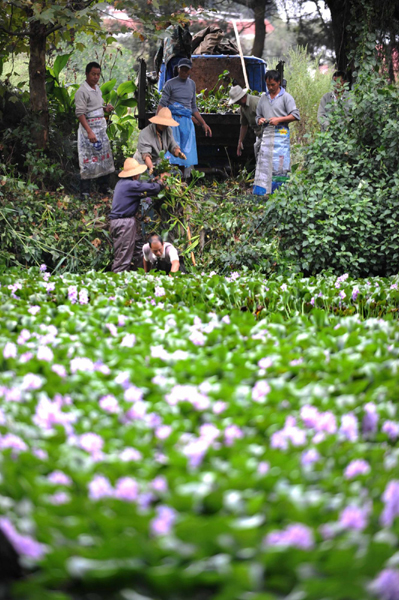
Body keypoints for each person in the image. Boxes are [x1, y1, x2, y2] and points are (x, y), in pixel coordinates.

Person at [158, 58, 212, 175]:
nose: (184, 72)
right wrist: (158, 124)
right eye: (182, 69)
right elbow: (162, 104)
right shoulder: (170, 84)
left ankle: (183, 180)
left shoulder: (192, 84)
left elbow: (193, 107)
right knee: (172, 151)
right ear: (178, 69)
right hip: (173, 121)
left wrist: (203, 123)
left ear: (190, 71)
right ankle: (171, 179)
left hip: (186, 123)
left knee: (185, 152)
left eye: (186, 70)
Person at [109, 158, 164, 273]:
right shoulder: (130, 185)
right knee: (123, 258)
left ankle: (143, 276)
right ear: (135, 175)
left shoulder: (122, 183)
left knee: (141, 250)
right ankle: (116, 284)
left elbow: (142, 187)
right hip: (124, 223)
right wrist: (160, 182)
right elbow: (153, 189)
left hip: (124, 222)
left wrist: (153, 181)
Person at [253, 70, 300, 196]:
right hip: (267, 135)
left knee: (280, 165)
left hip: (281, 134)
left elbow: (295, 116)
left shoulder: (286, 97)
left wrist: (279, 120)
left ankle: (279, 194)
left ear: (279, 82)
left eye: (273, 85)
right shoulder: (263, 98)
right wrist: (260, 120)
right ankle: (263, 193)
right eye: (268, 85)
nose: (270, 87)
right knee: (264, 165)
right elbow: (257, 116)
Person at [74, 62, 115, 197]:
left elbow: (95, 106)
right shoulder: (82, 91)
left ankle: (104, 188)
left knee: (103, 158)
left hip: (100, 129)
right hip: (89, 130)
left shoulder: (98, 89)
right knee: (88, 160)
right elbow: (80, 113)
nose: (96, 77)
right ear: (86, 74)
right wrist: (89, 131)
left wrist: (105, 108)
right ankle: (85, 192)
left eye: (98, 74)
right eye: (93, 74)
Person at [133, 107, 187, 173]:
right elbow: (146, 155)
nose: (165, 125)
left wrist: (179, 153)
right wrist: (151, 167)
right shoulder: (145, 133)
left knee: (178, 172)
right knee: (150, 179)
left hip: (157, 163)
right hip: (143, 163)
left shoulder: (168, 130)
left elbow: (172, 145)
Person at [228, 85, 262, 157]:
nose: (236, 103)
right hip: (259, 135)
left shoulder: (256, 103)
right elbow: (244, 125)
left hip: (268, 134)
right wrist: (240, 141)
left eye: (237, 101)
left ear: (242, 97)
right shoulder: (243, 108)